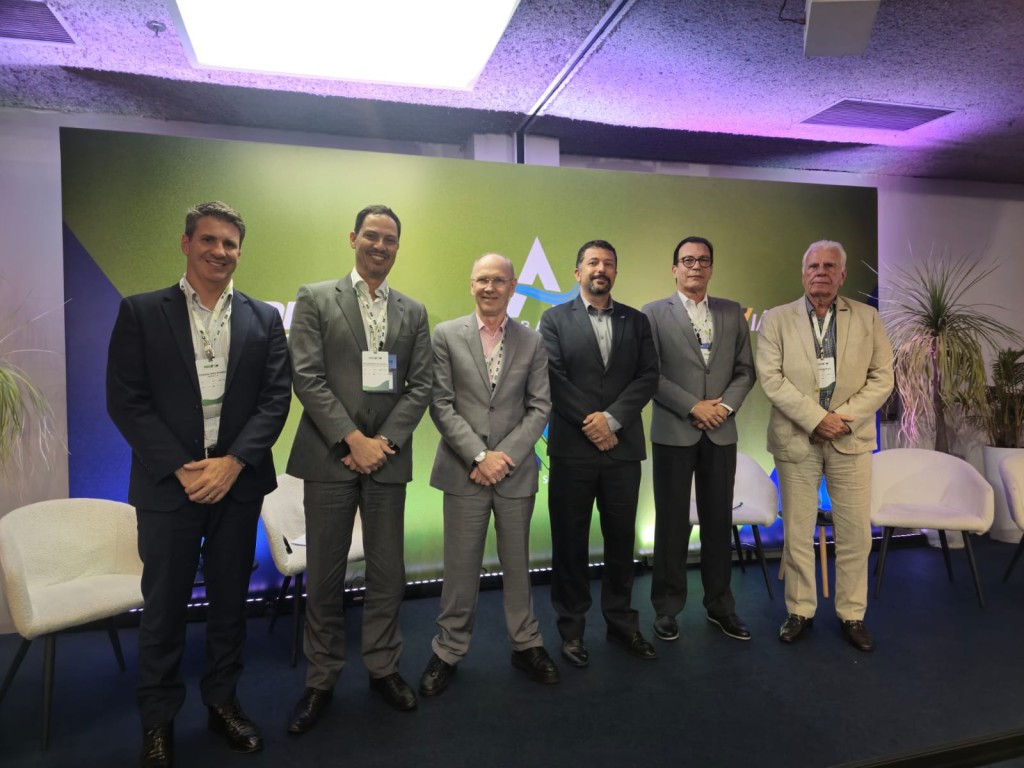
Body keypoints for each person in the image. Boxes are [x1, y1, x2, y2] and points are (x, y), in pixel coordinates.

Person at [106, 201, 291, 768]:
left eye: (230, 244)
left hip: (237, 484)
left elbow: (274, 398)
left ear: (240, 252)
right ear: (186, 243)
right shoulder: (141, 312)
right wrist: (182, 467)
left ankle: (222, 703)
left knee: (230, 604)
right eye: (209, 240)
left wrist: (233, 463)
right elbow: (126, 400)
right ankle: (158, 721)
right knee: (163, 609)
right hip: (170, 486)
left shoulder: (263, 318)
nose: (220, 251)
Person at [285, 204, 432, 733]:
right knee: (324, 575)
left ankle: (383, 668)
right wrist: (352, 440)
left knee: (387, 573)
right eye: (371, 235)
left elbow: (421, 385)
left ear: (397, 247)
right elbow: (306, 376)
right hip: (330, 455)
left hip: (386, 460)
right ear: (353, 239)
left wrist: (382, 443)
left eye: (389, 239)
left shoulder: (414, 311)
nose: (380, 246)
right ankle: (321, 679)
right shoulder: (316, 297)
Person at [418, 253, 558, 696]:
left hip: (514, 473)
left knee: (518, 566)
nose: (490, 287)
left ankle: (526, 644)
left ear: (513, 286)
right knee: (460, 570)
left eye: (499, 280)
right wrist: (480, 456)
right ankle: (447, 651)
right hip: (464, 472)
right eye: (482, 279)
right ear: (471, 284)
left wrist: (503, 457)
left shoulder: (532, 341)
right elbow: (440, 403)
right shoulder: (446, 335)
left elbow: (540, 406)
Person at [755, 240, 893, 652]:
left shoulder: (868, 317)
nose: (821, 272)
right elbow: (771, 379)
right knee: (797, 532)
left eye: (829, 266)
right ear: (803, 274)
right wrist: (817, 419)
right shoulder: (777, 319)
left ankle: (852, 614)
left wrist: (840, 419)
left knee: (856, 535)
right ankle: (800, 611)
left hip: (850, 440)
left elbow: (882, 378)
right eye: (813, 266)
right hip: (796, 439)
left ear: (842, 275)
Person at [538, 239, 660, 667]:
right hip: (572, 450)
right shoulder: (554, 319)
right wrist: (592, 422)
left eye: (608, 263)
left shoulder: (636, 320)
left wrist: (612, 420)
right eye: (592, 262)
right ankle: (571, 630)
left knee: (622, 541)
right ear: (577, 272)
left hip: (622, 450)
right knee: (570, 544)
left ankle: (622, 623)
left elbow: (648, 376)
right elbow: (552, 377)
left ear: (615, 272)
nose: (600, 269)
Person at [643, 236, 756, 643]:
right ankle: (667, 608)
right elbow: (650, 374)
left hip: (721, 432)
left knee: (718, 523)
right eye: (687, 260)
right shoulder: (653, 313)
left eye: (703, 260)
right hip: (675, 431)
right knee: (671, 524)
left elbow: (745, 371)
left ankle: (720, 606)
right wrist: (693, 406)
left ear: (711, 268)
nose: (695, 266)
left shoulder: (731, 312)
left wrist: (723, 407)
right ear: (674, 268)